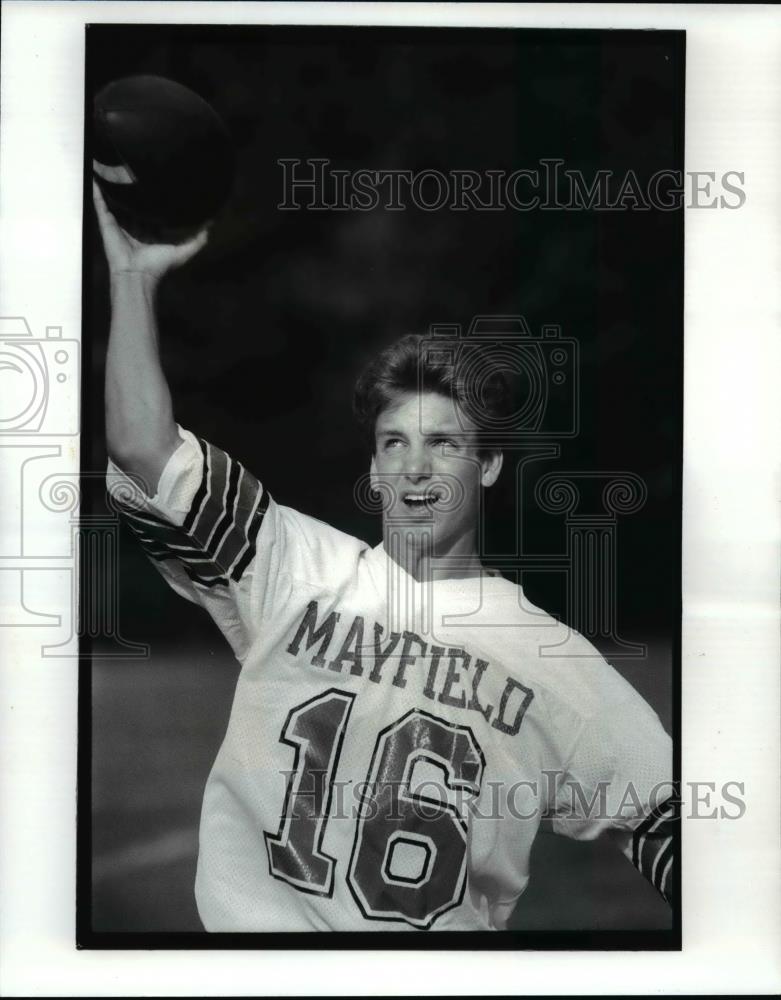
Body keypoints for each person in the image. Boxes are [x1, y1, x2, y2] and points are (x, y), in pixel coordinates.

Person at [94, 180, 675, 932]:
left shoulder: (551, 661)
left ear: (489, 466)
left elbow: (676, 822)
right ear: (372, 469)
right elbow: (144, 447)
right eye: (393, 443)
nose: (414, 467)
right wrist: (133, 277)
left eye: (444, 444)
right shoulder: (291, 568)